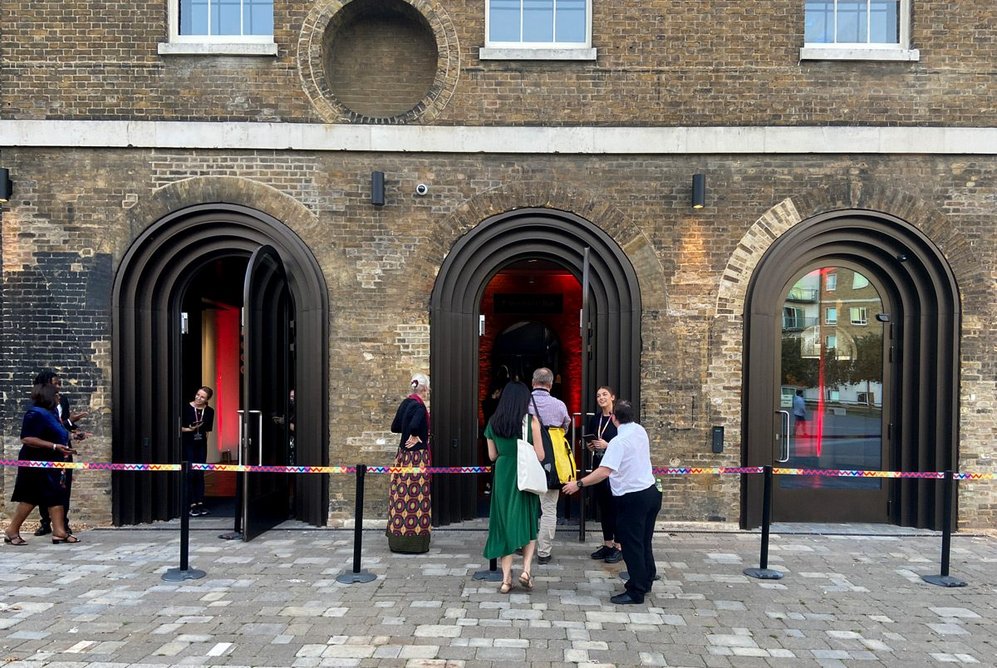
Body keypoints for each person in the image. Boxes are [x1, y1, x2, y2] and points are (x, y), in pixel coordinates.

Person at [563, 400, 660, 605]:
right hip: (650, 493)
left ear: (614, 418)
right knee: (644, 541)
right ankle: (646, 579)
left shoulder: (618, 441)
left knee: (631, 545)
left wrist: (578, 484)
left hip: (633, 497)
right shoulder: (639, 430)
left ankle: (636, 591)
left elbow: (603, 472)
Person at [483, 381, 544, 593]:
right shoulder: (531, 421)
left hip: (503, 474)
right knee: (528, 521)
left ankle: (506, 579)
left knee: (503, 522)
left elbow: (492, 455)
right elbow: (540, 455)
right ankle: (526, 570)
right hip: (524, 474)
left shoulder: (493, 422)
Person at [5, 383, 79, 545]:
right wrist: (53, 446)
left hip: (53, 461)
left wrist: (73, 437)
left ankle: (59, 531)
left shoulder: (51, 413)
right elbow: (26, 438)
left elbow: (55, 433)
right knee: (31, 497)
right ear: (48, 396)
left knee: (56, 493)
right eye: (57, 394)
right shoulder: (34, 414)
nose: (59, 397)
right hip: (35, 462)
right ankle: (12, 529)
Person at [33, 370, 87, 537]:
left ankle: (63, 523)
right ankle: (45, 522)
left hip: (63, 449)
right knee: (45, 487)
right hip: (47, 450)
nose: (58, 387)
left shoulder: (63, 400)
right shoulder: (39, 404)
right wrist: (71, 421)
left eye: (59, 383)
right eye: (54, 383)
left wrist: (74, 429)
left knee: (64, 487)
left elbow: (63, 424)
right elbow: (45, 426)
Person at [527, 367, 571, 565]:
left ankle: (523, 545)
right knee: (549, 508)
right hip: (553, 462)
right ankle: (544, 551)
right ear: (551, 384)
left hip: (528, 460)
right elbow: (566, 426)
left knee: (526, 506)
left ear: (533, 382)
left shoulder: (524, 403)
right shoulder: (559, 405)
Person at [387, 373, 432, 553]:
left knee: (400, 497)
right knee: (417, 499)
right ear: (425, 389)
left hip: (402, 457)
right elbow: (414, 426)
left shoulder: (406, 403)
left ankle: (397, 539)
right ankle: (415, 542)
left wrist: (407, 431)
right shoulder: (420, 407)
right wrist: (414, 435)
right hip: (416, 458)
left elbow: (395, 427)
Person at [586, 386, 622, 563]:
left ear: (612, 397)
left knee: (616, 507)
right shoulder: (596, 419)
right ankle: (607, 544)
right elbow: (592, 440)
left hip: (614, 469)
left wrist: (607, 445)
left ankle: (619, 546)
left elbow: (624, 443)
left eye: (605, 394)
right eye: (598, 395)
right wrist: (591, 446)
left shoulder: (618, 419)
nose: (601, 398)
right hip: (599, 465)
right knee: (604, 507)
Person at [181, 386, 215, 517]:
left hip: (201, 444)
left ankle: (200, 502)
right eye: (197, 395)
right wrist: (189, 430)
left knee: (200, 473)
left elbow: (207, 431)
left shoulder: (209, 411)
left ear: (207, 400)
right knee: (190, 473)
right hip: (188, 443)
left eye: (202, 397)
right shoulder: (186, 408)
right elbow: (177, 426)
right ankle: (191, 504)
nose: (198, 398)